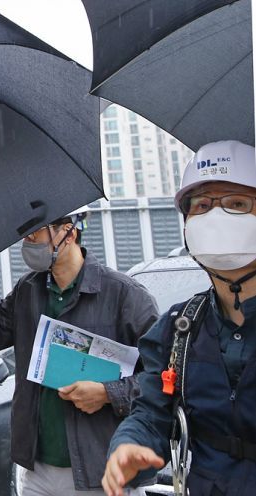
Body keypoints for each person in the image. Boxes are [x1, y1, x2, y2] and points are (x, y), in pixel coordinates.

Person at [0, 208, 159, 495]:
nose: (29, 244)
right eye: (25, 236)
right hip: (37, 471)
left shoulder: (124, 295)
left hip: (102, 469)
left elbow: (164, 376)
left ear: (69, 233)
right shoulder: (29, 290)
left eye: (36, 234)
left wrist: (107, 393)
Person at [103, 140, 256, 496]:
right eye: (202, 205)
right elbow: (152, 412)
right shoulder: (177, 328)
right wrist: (128, 445)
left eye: (236, 204)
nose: (216, 217)